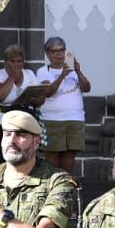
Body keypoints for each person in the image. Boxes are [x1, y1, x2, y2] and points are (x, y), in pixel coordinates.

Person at [34, 36, 90, 175]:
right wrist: (61, 76)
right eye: (55, 51)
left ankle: (66, 188)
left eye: (62, 50)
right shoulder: (43, 71)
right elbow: (47, 92)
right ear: (48, 54)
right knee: (52, 159)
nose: (59, 54)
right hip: (52, 120)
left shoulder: (73, 71)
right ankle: (52, 187)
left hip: (75, 119)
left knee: (69, 159)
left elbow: (87, 88)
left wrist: (78, 71)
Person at [0, 44, 41, 165]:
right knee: (0, 157)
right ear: (5, 62)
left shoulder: (29, 74)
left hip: (24, 121)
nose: (16, 65)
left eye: (19, 61)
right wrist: (11, 77)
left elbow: (39, 101)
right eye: (12, 61)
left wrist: (34, 96)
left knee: (24, 157)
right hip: (0, 122)